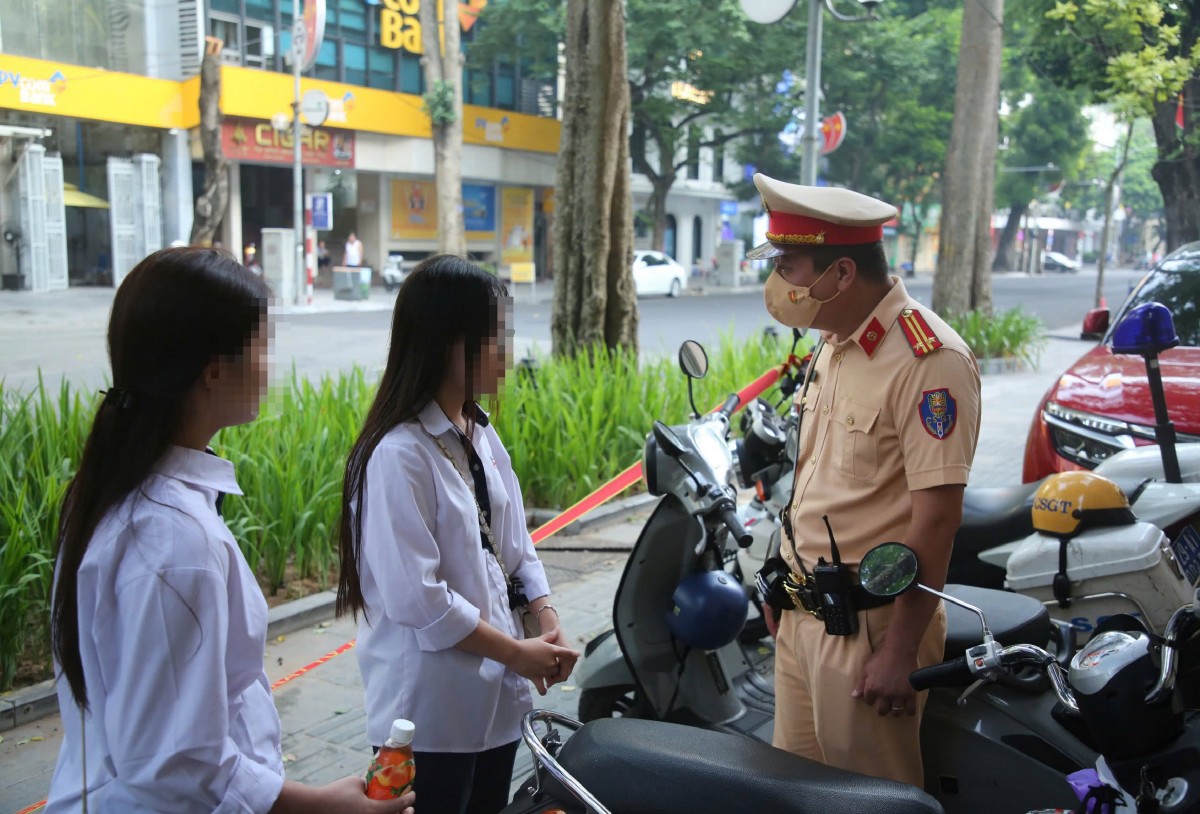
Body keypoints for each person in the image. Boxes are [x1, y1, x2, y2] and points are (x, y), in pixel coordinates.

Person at [47, 247, 415, 814]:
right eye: (263, 345)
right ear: (215, 371)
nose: (270, 364)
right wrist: (318, 804)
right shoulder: (172, 540)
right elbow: (174, 767)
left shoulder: (119, 494)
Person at [750, 173, 982, 788]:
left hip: (873, 627)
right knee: (795, 796)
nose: (781, 283)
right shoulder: (834, 342)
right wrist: (783, 581)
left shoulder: (930, 361)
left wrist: (901, 649)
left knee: (867, 802)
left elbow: (937, 519)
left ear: (843, 274)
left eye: (791, 266)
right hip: (807, 614)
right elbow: (813, 482)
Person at [336, 254, 579, 814]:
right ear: (449, 342)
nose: (507, 353)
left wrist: (545, 619)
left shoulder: (478, 433)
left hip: (495, 701)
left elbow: (514, 547)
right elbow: (420, 601)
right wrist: (518, 653)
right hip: (428, 715)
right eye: (495, 337)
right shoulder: (399, 454)